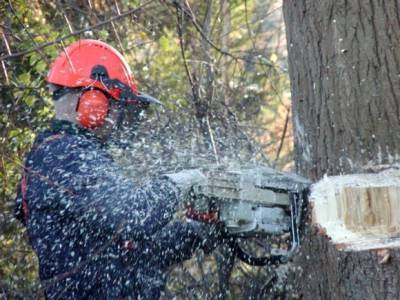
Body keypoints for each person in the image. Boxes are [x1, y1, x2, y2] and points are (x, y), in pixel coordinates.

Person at [15, 39, 219, 299]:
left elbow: (133, 251)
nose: (118, 118)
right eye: (116, 106)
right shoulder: (65, 156)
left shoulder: (67, 155)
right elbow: (134, 215)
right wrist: (178, 183)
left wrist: (195, 232)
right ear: (92, 103)